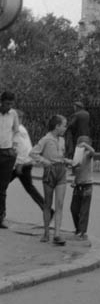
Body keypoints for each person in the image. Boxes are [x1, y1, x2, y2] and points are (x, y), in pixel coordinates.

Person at [31, 114, 72, 245]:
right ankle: (46, 232)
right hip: (49, 172)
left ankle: (57, 234)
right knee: (47, 204)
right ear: (57, 126)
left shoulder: (62, 140)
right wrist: (44, 161)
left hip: (61, 171)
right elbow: (32, 153)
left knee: (59, 204)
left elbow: (60, 156)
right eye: (64, 125)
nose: (65, 128)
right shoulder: (46, 139)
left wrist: (67, 161)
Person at [10, 109, 49, 217]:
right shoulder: (20, 129)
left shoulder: (18, 130)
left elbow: (23, 148)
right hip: (24, 163)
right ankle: (47, 210)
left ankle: (47, 209)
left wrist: (20, 165)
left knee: (2, 187)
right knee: (30, 188)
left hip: (21, 164)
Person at [0, 91, 19, 229]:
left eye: (11, 104)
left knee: (3, 187)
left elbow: (16, 131)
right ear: (2, 102)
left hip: (7, 153)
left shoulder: (13, 114)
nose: (9, 107)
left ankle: (1, 217)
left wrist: (15, 148)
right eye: (7, 104)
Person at [70, 135, 94, 240]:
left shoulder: (88, 154)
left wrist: (86, 146)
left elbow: (93, 152)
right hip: (78, 185)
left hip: (87, 185)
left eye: (83, 144)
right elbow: (76, 171)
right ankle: (78, 228)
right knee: (74, 209)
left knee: (84, 210)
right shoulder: (77, 156)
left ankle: (82, 231)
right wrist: (74, 180)